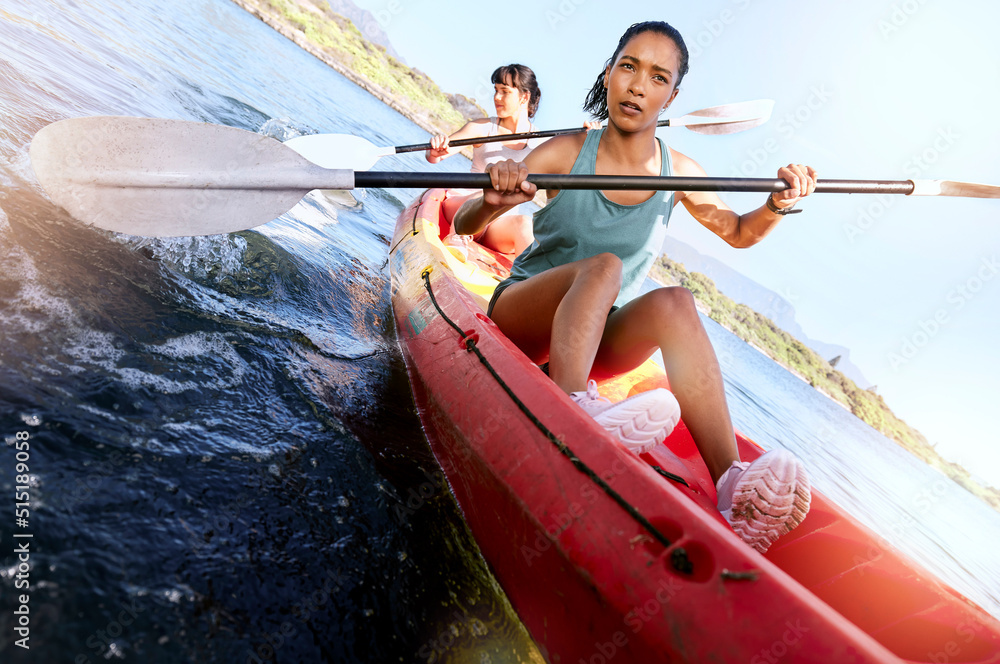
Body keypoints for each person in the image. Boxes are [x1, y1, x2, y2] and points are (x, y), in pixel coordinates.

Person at [451, 21, 816, 554]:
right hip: (525, 318)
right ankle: (573, 405)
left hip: (595, 340)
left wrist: (778, 205)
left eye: (657, 76)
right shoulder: (565, 151)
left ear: (672, 94)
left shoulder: (679, 171)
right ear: (609, 73)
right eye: (628, 66)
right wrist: (494, 194)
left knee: (675, 300)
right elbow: (464, 222)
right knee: (603, 267)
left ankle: (730, 483)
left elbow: (737, 232)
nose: (638, 85)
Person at [427, 64, 598, 260]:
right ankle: (457, 239)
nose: (497, 97)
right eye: (496, 91)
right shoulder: (481, 128)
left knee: (525, 223)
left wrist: (588, 139)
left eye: (505, 92)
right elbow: (436, 157)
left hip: (497, 225)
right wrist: (436, 149)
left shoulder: (542, 144)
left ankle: (526, 280)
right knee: (485, 191)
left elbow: (577, 165)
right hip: (461, 211)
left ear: (524, 97)